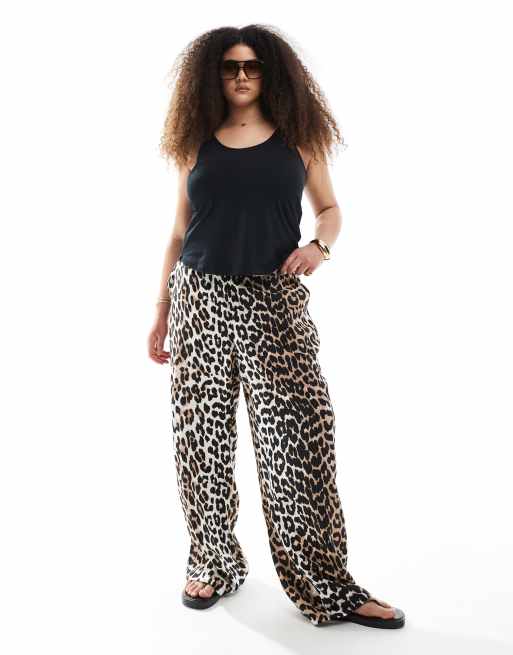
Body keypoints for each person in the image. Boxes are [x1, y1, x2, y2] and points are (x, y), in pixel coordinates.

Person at [148, 24, 405, 629]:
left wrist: (320, 246)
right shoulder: (195, 143)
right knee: (201, 440)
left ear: (271, 73)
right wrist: (161, 310)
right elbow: (179, 232)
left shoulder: (299, 139)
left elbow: (330, 209)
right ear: (212, 76)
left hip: (273, 301)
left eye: (253, 66)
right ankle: (212, 562)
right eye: (230, 67)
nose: (241, 76)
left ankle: (328, 584)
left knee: (298, 440)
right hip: (201, 300)